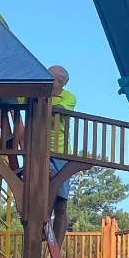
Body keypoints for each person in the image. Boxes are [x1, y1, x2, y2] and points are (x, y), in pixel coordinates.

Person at [45, 64, 78, 243]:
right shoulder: (37, 91)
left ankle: (56, 248)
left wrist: (43, 102)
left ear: (60, 82)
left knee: (61, 204)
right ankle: (42, 226)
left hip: (62, 154)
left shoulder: (68, 97)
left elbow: (62, 111)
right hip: (41, 150)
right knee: (46, 190)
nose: (46, 80)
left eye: (50, 77)